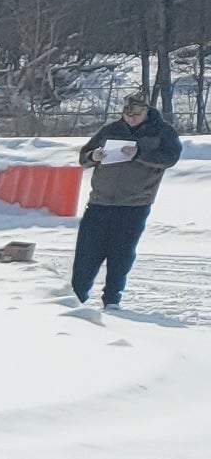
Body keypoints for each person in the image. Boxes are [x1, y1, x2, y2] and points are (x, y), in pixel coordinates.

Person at [74, 88, 182, 309]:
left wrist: (139, 154)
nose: (131, 119)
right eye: (127, 114)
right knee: (87, 253)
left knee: (121, 254)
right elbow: (84, 157)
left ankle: (112, 299)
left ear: (146, 111)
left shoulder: (162, 132)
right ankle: (77, 297)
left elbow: (170, 158)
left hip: (134, 203)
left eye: (136, 115)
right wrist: (93, 156)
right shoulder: (110, 130)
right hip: (100, 201)